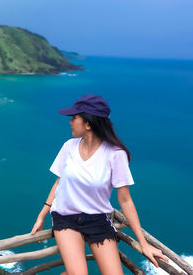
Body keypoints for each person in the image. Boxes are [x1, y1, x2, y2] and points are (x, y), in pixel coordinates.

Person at [30, 94, 169, 274]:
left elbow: (125, 200)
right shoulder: (69, 147)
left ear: (88, 124)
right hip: (66, 217)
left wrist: (144, 244)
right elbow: (59, 183)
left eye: (74, 118)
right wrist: (41, 216)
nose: (70, 122)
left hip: (98, 219)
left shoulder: (115, 154)